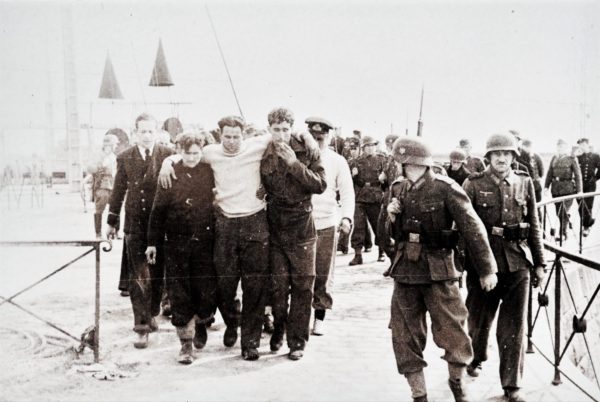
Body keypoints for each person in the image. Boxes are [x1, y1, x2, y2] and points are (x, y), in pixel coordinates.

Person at [159, 114, 318, 361]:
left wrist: (308, 136)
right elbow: (182, 153)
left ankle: (250, 343)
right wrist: (166, 163)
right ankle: (231, 322)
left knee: (255, 287)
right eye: (227, 137)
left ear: (243, 135)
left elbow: (285, 133)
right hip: (225, 224)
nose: (232, 142)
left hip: (255, 222)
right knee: (224, 285)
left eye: (236, 136)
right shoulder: (211, 152)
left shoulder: (257, 145)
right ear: (219, 135)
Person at [386, 136, 498, 402]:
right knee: (404, 335)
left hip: (439, 270)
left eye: (404, 163)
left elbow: (473, 229)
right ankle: (419, 394)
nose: (401, 167)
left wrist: (486, 269)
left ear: (417, 164)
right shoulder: (397, 188)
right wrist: (390, 217)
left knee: (453, 332)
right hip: (405, 270)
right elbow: (389, 236)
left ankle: (457, 384)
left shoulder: (445, 188)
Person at [462, 132, 546, 402]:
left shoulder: (525, 183)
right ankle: (476, 357)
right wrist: (465, 266)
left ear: (513, 156)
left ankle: (512, 385)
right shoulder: (473, 184)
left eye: (507, 154)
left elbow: (534, 224)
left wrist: (540, 263)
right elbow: (463, 228)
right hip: (483, 265)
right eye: (497, 154)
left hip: (517, 262)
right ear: (488, 157)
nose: (502, 158)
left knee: (514, 327)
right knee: (478, 322)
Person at [145, 132, 218, 364]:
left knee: (204, 288)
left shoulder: (209, 171)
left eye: (197, 153)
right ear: (180, 151)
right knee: (179, 292)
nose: (192, 157)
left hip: (205, 242)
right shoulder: (170, 172)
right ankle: (185, 343)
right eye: (188, 153)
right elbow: (157, 212)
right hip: (176, 243)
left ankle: (202, 322)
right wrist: (152, 243)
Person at [261, 108, 327, 360]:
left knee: (302, 287)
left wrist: (294, 164)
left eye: (285, 129)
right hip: (275, 227)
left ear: (292, 128)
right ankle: (279, 329)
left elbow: (320, 184)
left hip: (302, 229)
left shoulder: (307, 149)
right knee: (278, 288)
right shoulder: (261, 150)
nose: (280, 134)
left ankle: (297, 341)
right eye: (276, 129)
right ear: (269, 129)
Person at [107, 113, 176, 349]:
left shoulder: (168, 155)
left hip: (161, 223)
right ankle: (141, 326)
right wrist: (112, 220)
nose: (147, 136)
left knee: (158, 275)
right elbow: (118, 190)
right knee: (138, 276)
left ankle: (152, 312)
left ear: (156, 132)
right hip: (135, 223)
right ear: (135, 132)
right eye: (142, 131)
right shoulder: (125, 157)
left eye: (150, 131)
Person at [305, 116, 354, 336]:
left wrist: (347, 218)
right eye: (313, 136)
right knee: (300, 275)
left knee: (323, 273)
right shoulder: (300, 157)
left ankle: (320, 316)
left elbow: (347, 192)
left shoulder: (337, 161)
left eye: (321, 136)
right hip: (300, 223)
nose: (317, 140)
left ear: (328, 136)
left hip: (326, 223)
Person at [349, 136, 387, 265]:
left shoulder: (382, 160)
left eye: (372, 145)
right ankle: (357, 254)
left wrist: (383, 180)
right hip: (360, 196)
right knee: (358, 226)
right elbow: (350, 181)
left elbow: (388, 182)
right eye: (367, 146)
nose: (370, 148)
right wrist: (353, 175)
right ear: (363, 148)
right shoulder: (356, 161)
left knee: (378, 225)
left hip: (375, 196)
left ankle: (381, 252)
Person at [544, 139, 582, 240]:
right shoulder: (554, 158)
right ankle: (566, 220)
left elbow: (578, 175)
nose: (560, 148)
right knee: (559, 212)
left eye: (562, 147)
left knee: (562, 211)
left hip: (568, 189)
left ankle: (563, 234)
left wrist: (579, 191)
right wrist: (546, 187)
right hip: (556, 189)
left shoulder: (571, 159)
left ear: (566, 148)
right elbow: (549, 173)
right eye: (558, 147)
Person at [85, 134, 118, 238]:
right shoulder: (98, 155)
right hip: (102, 186)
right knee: (99, 210)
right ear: (107, 145)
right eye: (113, 145)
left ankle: (115, 231)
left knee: (116, 208)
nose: (114, 147)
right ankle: (98, 233)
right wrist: (101, 164)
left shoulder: (114, 156)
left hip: (113, 185)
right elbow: (90, 168)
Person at [576, 138, 600, 237]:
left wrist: (595, 178)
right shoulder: (578, 157)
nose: (582, 147)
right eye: (580, 145)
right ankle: (589, 221)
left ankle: (585, 227)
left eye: (583, 145)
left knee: (588, 205)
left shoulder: (595, 156)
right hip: (580, 185)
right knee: (580, 206)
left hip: (590, 184)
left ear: (587, 145)